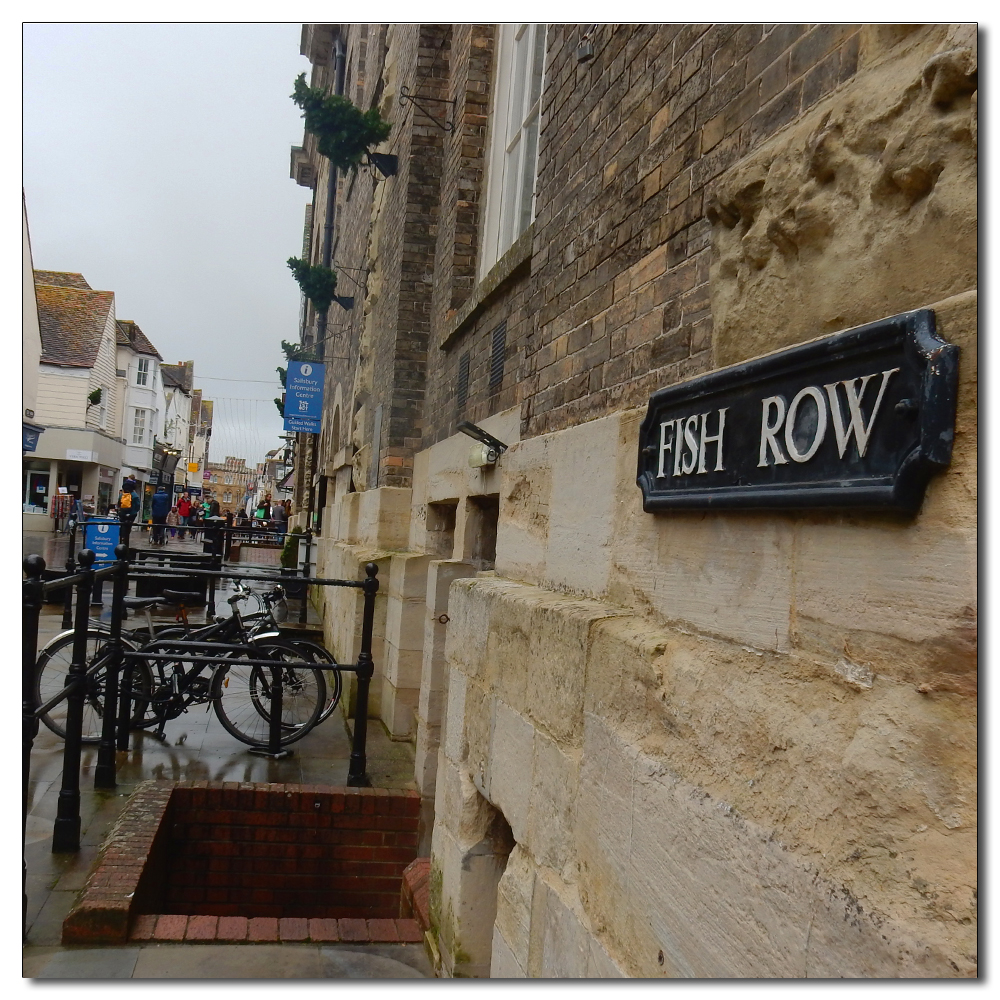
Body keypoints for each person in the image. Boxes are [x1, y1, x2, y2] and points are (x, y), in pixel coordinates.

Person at [117, 476, 140, 545]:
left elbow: (118, 504)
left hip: (122, 513)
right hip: (131, 515)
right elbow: (138, 506)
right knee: (128, 529)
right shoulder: (134, 495)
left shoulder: (122, 495)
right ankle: (126, 544)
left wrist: (120, 511)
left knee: (122, 526)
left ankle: (121, 540)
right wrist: (133, 513)